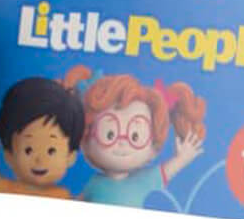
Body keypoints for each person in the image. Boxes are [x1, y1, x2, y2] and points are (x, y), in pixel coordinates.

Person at [68, 66, 206, 208]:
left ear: (154, 145)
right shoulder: (94, 183)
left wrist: (183, 157)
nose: (122, 143)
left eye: (135, 137)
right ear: (86, 138)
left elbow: (167, 170)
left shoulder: (145, 180)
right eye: (110, 135)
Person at [0, 77, 85, 199]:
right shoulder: (11, 189)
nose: (39, 160)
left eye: (51, 151)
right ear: (9, 155)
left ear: (71, 156)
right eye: (28, 150)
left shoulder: (62, 195)